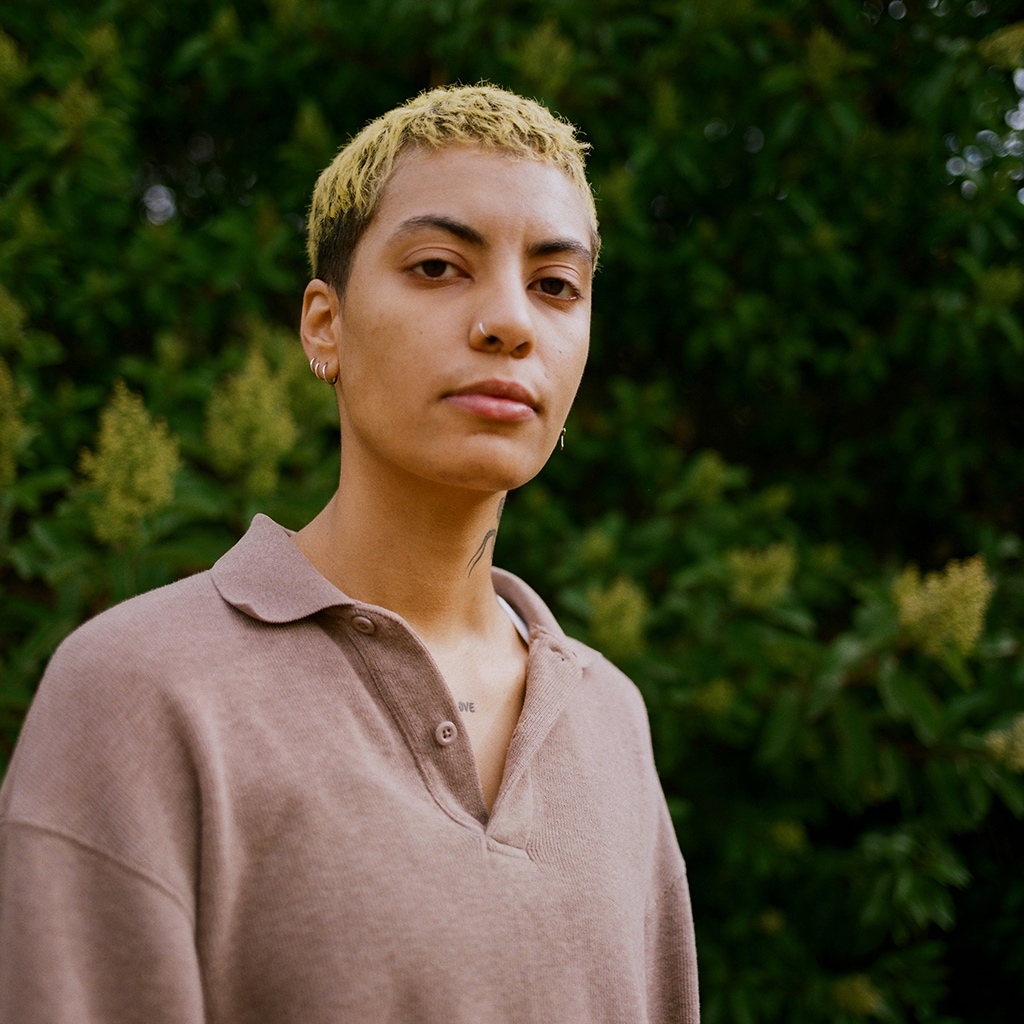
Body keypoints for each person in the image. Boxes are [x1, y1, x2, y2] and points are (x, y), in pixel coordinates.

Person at [0, 85, 699, 1023]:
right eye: (441, 266)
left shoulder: (611, 720)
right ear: (324, 324)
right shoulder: (136, 693)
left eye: (555, 285)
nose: (509, 322)